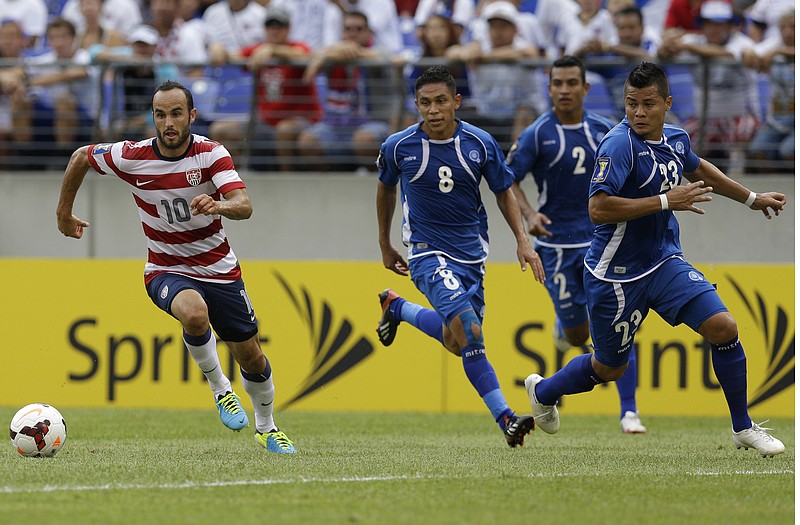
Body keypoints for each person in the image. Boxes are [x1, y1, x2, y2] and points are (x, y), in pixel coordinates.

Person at [523, 61, 786, 457]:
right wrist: (666, 200)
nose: (639, 113)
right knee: (609, 368)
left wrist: (752, 199)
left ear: (667, 103)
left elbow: (699, 168)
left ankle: (742, 426)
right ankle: (543, 391)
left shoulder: (677, 138)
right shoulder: (618, 145)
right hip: (615, 275)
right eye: (631, 104)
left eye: (648, 104)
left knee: (724, 327)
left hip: (664, 263)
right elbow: (598, 208)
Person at [55, 80, 297, 454]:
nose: (168, 122)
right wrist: (63, 214)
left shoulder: (211, 154)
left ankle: (266, 428)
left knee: (251, 356)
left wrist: (218, 206)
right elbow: (80, 157)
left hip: (219, 268)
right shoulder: (132, 155)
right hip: (165, 268)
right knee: (194, 313)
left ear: (192, 116)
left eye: (176, 114)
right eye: (160, 114)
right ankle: (221, 391)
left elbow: (244, 204)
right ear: (153, 116)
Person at [375, 65, 546, 448]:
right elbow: (385, 189)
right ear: (415, 105)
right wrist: (385, 243)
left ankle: (396, 307)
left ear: (456, 102)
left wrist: (522, 239)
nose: (432, 110)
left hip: (471, 256)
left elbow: (504, 191)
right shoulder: (398, 146)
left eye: (439, 101)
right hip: (425, 252)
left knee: (458, 343)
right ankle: (505, 418)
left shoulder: (481, 143)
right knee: (470, 330)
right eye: (424, 103)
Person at [507, 56, 646, 434]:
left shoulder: (606, 130)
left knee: (619, 322)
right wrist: (529, 214)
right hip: (556, 246)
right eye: (558, 83)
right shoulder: (537, 134)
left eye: (572, 83)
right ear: (549, 88)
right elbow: (507, 179)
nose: (565, 90)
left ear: (585, 88)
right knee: (577, 336)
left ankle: (629, 411)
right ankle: (562, 327)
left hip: (602, 241)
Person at [208, 6, 321, 171]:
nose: (274, 30)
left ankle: (286, 179)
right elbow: (232, 56)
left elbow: (305, 56)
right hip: (265, 122)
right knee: (220, 130)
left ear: (288, 29)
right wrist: (217, 47)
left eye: (280, 26)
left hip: (301, 120)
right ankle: (237, 180)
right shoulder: (260, 49)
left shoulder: (297, 46)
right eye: (270, 25)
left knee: (285, 130)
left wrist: (275, 51)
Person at [658, 1, 758, 174]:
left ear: (729, 26)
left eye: (720, 24)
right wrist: (667, 46)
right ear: (702, 25)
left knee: (744, 129)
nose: (715, 29)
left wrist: (688, 47)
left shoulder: (742, 42)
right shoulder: (694, 40)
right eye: (709, 23)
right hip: (704, 117)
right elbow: (661, 52)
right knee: (677, 138)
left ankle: (738, 175)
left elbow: (727, 53)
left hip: (739, 115)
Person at [298, 11, 395, 171]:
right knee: (307, 140)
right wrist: (330, 53)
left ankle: (374, 183)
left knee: (364, 139)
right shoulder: (333, 54)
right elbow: (309, 66)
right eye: (348, 29)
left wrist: (348, 51)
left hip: (373, 122)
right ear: (342, 32)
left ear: (369, 33)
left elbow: (381, 60)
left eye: (358, 29)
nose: (353, 33)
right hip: (335, 125)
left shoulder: (379, 51)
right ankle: (329, 184)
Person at [743, 8, 794, 173]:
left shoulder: (776, 49)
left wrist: (778, 52)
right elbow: (750, 52)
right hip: (777, 120)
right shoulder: (774, 44)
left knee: (789, 151)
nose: (788, 32)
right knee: (757, 152)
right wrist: (750, 53)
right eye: (783, 28)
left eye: (793, 27)